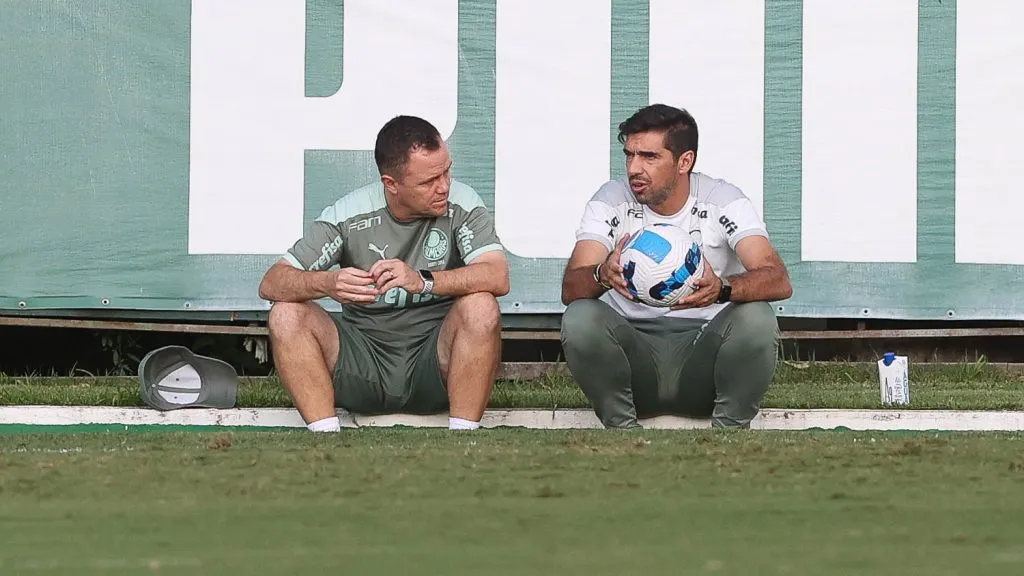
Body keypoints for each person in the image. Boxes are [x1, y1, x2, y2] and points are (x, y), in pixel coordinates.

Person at [258, 115, 509, 432]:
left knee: (481, 305)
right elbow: (271, 283)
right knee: (285, 314)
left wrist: (423, 281)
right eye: (428, 181)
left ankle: (464, 439)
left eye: (446, 171)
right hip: (361, 362)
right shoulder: (348, 214)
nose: (444, 186)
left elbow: (497, 276)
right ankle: (324, 440)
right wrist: (327, 283)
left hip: (435, 363)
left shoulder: (463, 200)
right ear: (391, 184)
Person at [559, 104, 793, 429]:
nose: (634, 168)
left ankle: (728, 438)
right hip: (634, 360)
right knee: (580, 316)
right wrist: (601, 274)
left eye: (649, 157)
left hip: (702, 359)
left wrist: (723, 289)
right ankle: (623, 434)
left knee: (757, 317)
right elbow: (571, 289)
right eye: (630, 155)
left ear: (685, 161)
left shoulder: (722, 199)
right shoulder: (610, 199)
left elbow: (778, 279)